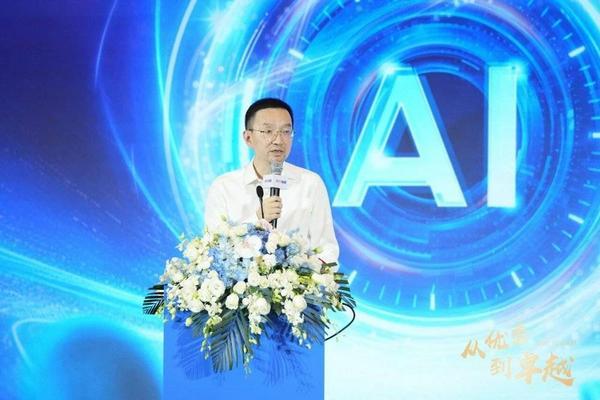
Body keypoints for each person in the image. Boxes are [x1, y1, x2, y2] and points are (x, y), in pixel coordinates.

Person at [203, 98, 339, 263]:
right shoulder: (224, 187)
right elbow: (214, 250)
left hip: (297, 278)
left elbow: (326, 250)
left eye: (286, 131)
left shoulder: (310, 183)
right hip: (238, 278)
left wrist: (303, 274)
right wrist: (256, 220)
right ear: (248, 138)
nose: (278, 140)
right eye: (268, 131)